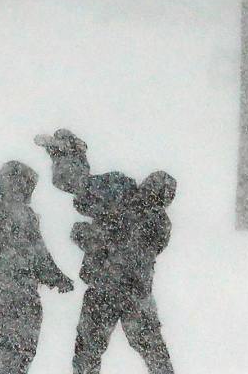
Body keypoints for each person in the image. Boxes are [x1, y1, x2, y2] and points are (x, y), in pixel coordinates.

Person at [36, 129, 176, 374]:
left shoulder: (126, 198)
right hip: (131, 293)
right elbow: (81, 189)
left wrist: (91, 237)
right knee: (151, 352)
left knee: (90, 352)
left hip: (108, 290)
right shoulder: (152, 218)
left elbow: (81, 189)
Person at [0, 160, 75, 374]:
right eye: (27, 185)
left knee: (8, 345)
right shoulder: (21, 215)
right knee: (19, 347)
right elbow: (37, 253)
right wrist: (57, 278)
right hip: (19, 291)